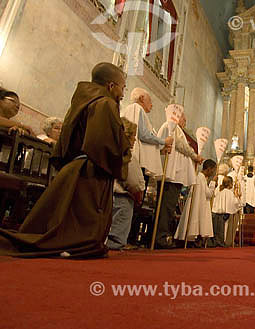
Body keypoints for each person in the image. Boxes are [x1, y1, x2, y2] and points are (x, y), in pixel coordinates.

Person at [0, 62, 131, 258]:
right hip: (92, 170)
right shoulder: (105, 103)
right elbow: (103, 143)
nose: (122, 94)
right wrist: (124, 152)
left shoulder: (83, 100)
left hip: (77, 167)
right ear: (111, 86)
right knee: (79, 234)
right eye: (122, 88)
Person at [155, 113, 203, 248]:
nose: (185, 122)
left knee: (167, 208)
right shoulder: (172, 128)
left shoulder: (176, 129)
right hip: (171, 175)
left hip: (175, 176)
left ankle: (161, 236)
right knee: (165, 207)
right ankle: (160, 238)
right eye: (184, 119)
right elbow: (182, 146)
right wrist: (195, 156)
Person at [121, 88, 173, 188]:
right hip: (137, 162)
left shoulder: (136, 111)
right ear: (141, 98)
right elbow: (143, 135)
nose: (152, 105)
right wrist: (163, 141)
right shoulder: (137, 108)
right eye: (150, 101)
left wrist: (160, 151)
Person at [106, 117, 145, 250]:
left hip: (107, 193)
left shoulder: (106, 148)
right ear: (126, 136)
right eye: (133, 136)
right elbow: (133, 182)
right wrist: (139, 191)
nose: (135, 139)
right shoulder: (126, 154)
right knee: (115, 235)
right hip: (122, 196)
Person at [174, 159, 217, 245]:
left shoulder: (200, 177)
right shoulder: (201, 178)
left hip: (198, 205)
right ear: (208, 168)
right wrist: (213, 184)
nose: (213, 172)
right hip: (199, 206)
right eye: (213, 170)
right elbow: (208, 194)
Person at [211, 176, 241, 247]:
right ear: (230, 184)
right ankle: (225, 241)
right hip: (226, 215)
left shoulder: (220, 192)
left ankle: (219, 241)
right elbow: (235, 204)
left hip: (217, 214)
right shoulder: (229, 193)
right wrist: (238, 198)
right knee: (225, 229)